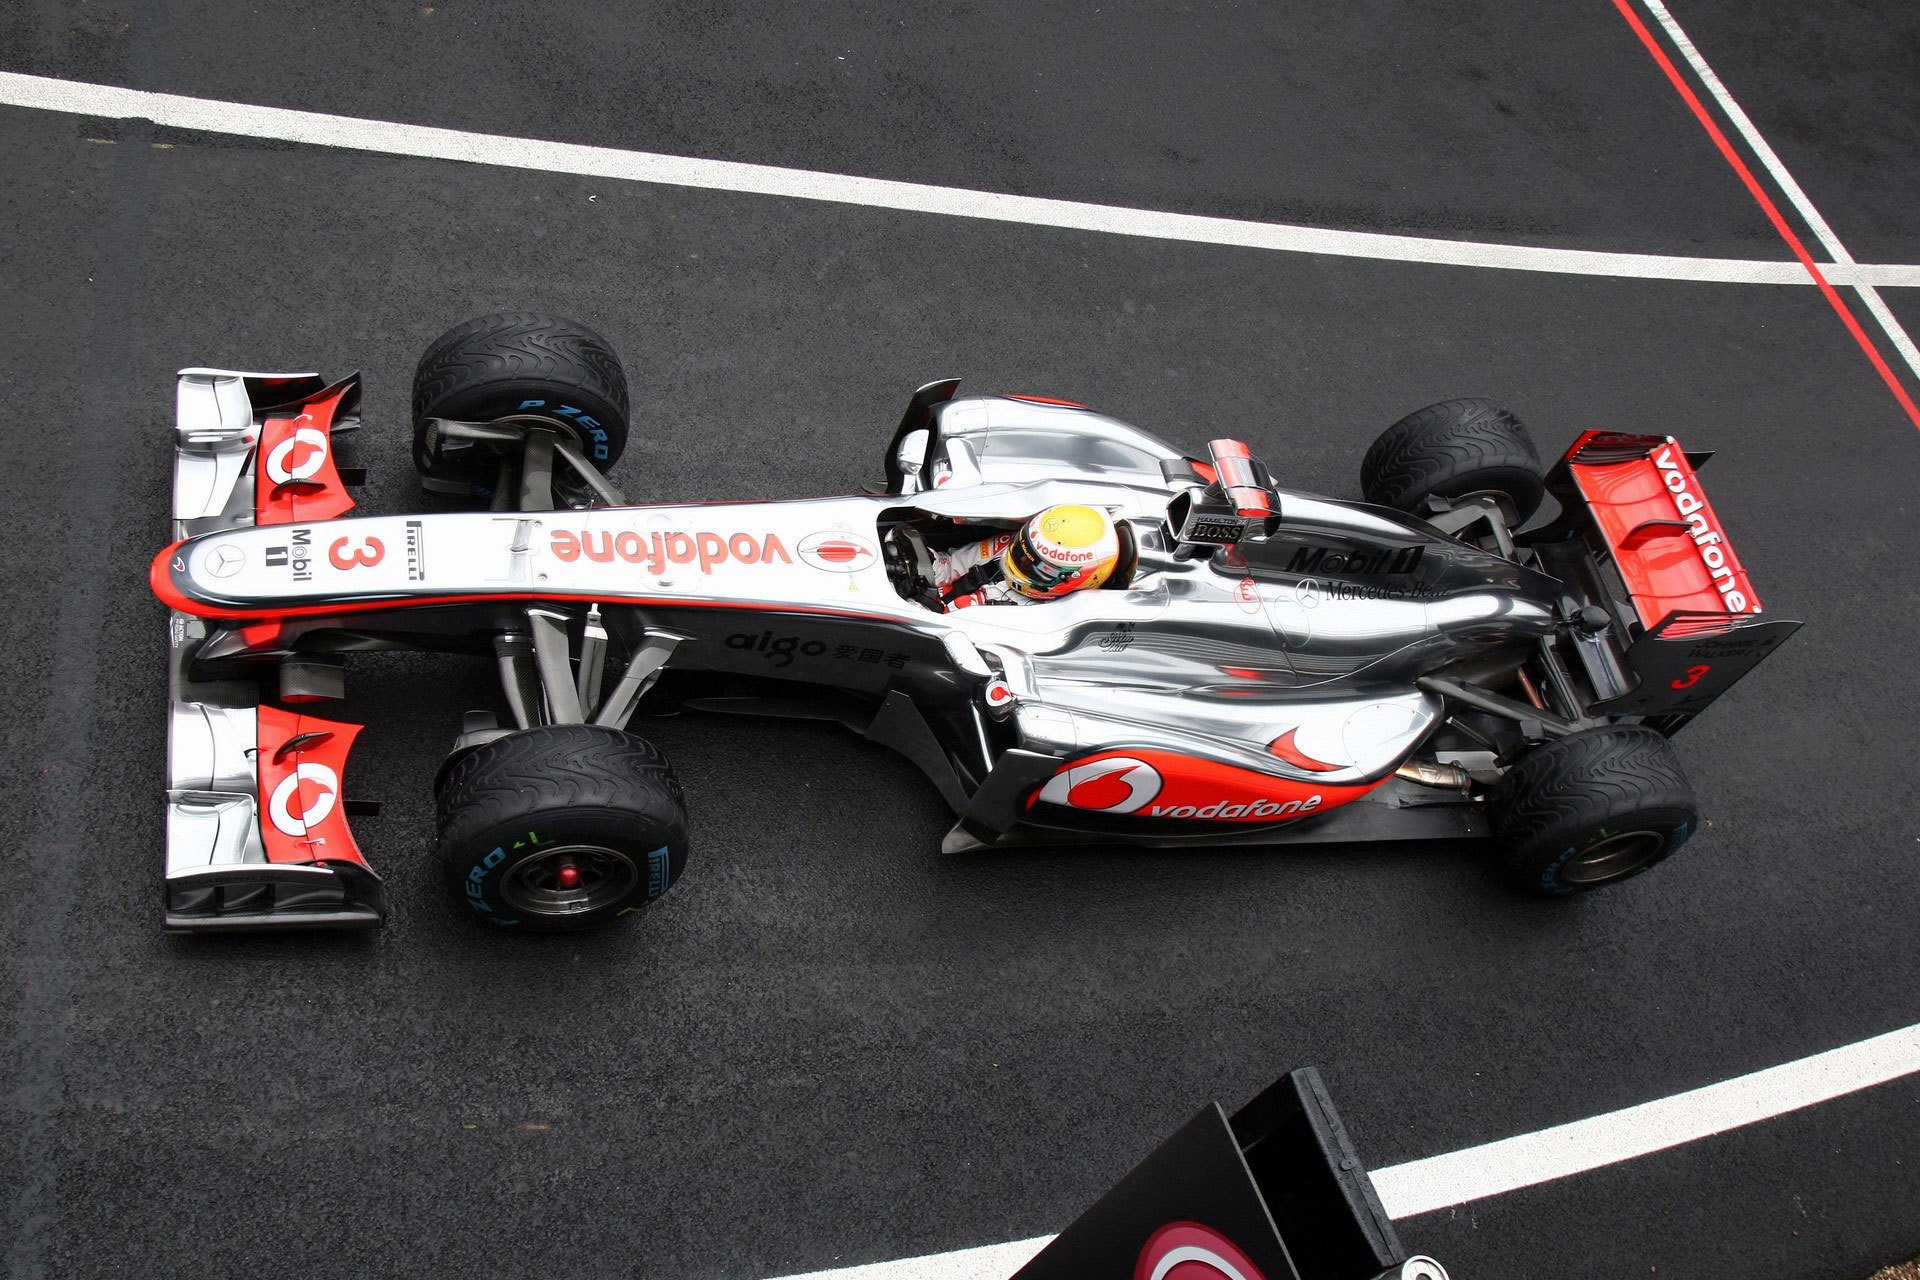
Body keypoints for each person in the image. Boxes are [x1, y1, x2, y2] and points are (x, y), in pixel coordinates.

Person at [932, 504, 1123, 609]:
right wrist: (922, 563)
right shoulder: (1010, 545)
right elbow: (949, 565)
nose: (1020, 560)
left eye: (1036, 566)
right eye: (1022, 551)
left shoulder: (1044, 615)